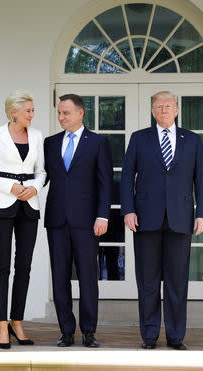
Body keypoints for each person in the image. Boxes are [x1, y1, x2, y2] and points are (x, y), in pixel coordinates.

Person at [121, 91, 203, 350]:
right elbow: (127, 177)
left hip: (181, 218)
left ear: (177, 109)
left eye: (168, 106)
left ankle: (175, 336)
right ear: (152, 110)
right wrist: (128, 210)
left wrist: (202, 213)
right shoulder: (139, 139)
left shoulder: (192, 141)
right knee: (147, 281)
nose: (163, 110)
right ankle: (149, 335)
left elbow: (201, 179)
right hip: (145, 218)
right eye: (158, 106)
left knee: (177, 281)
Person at [0, 90, 46, 349]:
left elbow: (41, 171)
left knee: (24, 266)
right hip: (2, 205)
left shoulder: (37, 136)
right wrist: (11, 187)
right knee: (2, 266)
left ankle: (17, 321)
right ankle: (2, 325)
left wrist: (35, 188)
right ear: (13, 112)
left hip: (29, 204)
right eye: (28, 110)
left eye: (33, 110)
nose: (32, 114)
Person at [44, 94, 113, 348]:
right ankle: (66, 331)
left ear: (80, 113)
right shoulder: (49, 143)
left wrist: (103, 215)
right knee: (59, 277)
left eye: (66, 113)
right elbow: (43, 176)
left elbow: (105, 182)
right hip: (57, 220)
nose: (61, 117)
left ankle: (89, 331)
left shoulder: (97, 142)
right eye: (59, 113)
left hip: (87, 221)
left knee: (87, 277)